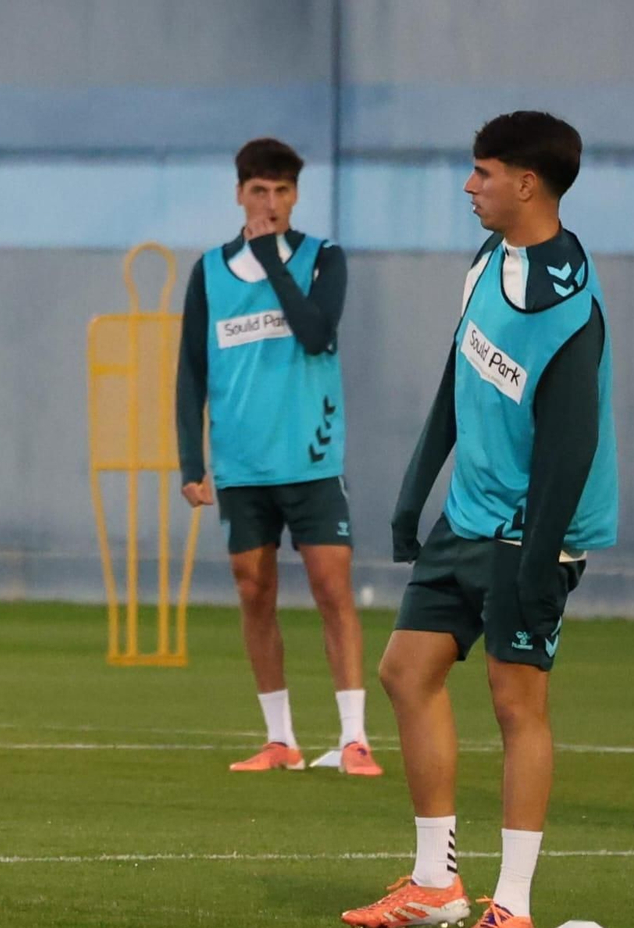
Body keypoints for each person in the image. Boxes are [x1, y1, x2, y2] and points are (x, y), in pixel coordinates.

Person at [342, 111, 618, 928]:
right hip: (466, 517)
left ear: (526, 183)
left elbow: (571, 449)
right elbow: (454, 379)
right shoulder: (486, 262)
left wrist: (537, 560)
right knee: (405, 671)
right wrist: (413, 493)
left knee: (515, 702)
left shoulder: (571, 307)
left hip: (532, 530)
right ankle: (436, 884)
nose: (470, 186)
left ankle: (514, 905)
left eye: (483, 172)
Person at [175, 137, 381, 776]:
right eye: (259, 190)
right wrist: (190, 462)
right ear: (239, 193)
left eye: (282, 191)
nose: (270, 202)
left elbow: (316, 334)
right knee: (253, 590)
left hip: (311, 459)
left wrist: (269, 256)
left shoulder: (324, 259)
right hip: (241, 465)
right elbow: (191, 368)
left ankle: (354, 738)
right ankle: (280, 739)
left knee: (331, 588)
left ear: (295, 195)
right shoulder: (209, 272)